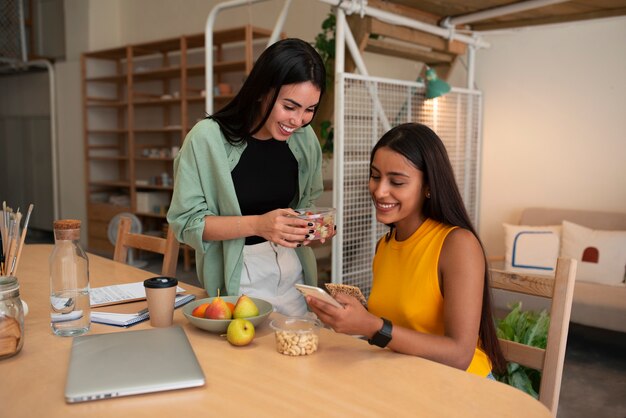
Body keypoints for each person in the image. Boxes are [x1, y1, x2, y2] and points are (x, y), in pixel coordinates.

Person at [306, 123, 505, 377]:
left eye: (397, 182)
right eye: (375, 176)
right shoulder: (385, 245)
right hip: (406, 378)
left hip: (461, 387)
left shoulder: (458, 245)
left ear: (429, 186)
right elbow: (400, 324)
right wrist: (352, 316)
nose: (379, 191)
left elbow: (459, 355)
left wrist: (372, 327)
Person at [167, 38, 332, 316]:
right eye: (289, 107)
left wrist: (309, 228)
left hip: (294, 274)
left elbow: (306, 204)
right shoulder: (207, 139)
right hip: (239, 277)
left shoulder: (304, 140)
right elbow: (186, 224)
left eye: (309, 109)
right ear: (261, 92)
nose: (298, 120)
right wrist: (259, 225)